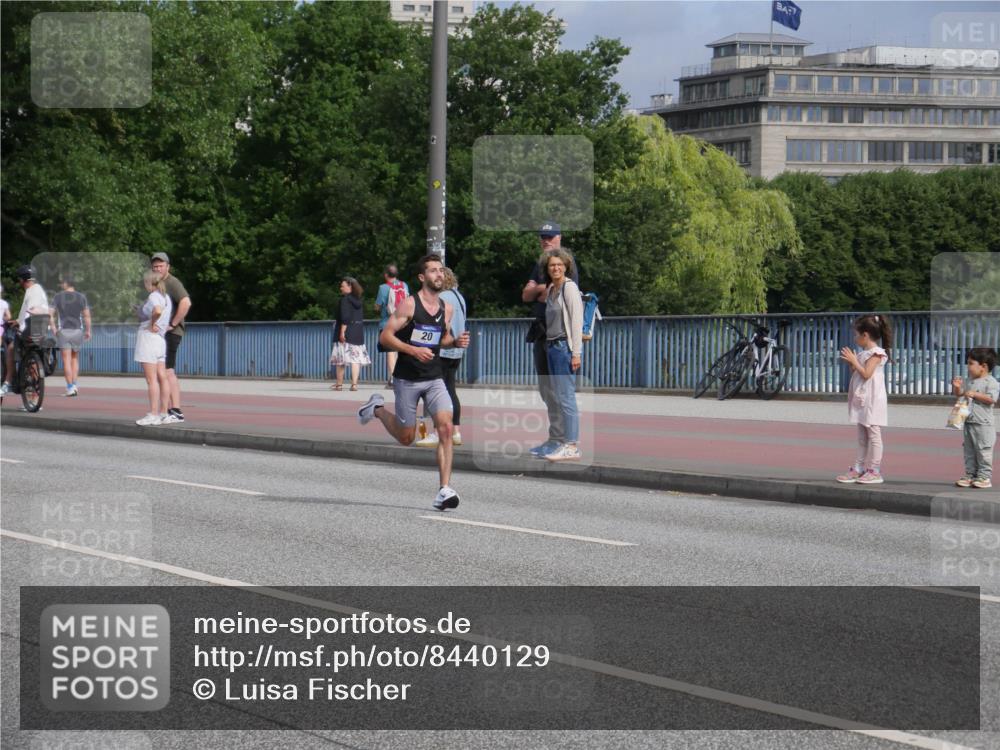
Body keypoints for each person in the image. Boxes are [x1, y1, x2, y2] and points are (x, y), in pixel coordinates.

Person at [357, 255, 470, 510]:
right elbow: (386, 337)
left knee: (446, 429)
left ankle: (444, 489)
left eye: (440, 271)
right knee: (407, 438)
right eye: (432, 271)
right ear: (422, 277)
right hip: (407, 379)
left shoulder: (446, 308)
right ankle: (375, 409)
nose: (438, 275)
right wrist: (411, 350)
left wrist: (455, 342)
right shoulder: (409, 305)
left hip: (434, 378)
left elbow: (441, 339)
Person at [521, 221, 579, 458]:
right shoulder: (540, 265)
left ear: (559, 237)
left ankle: (569, 442)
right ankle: (556, 438)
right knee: (547, 390)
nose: (546, 240)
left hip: (561, 341)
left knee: (563, 393)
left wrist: (577, 352)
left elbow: (571, 314)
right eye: (543, 237)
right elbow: (526, 295)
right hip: (543, 335)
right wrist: (538, 289)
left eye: (550, 237)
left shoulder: (568, 270)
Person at [836, 314, 891, 485]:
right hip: (863, 399)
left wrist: (854, 360)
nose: (855, 337)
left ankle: (874, 470)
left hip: (872, 399)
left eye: (856, 334)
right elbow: (858, 372)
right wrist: (852, 363)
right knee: (862, 435)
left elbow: (867, 374)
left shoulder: (876, 353)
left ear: (865, 335)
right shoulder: (865, 353)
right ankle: (858, 468)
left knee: (874, 434)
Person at [416, 267, 466, 448]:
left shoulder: (442, 298)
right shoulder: (459, 296)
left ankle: (438, 432)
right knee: (451, 390)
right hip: (457, 349)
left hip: (443, 349)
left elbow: (437, 323)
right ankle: (456, 432)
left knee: (437, 393)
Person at [541, 249, 584, 462]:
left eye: (559, 264)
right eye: (552, 265)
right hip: (551, 347)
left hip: (563, 349)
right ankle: (561, 442)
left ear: (566, 266)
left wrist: (576, 353)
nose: (555, 268)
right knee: (557, 396)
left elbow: (576, 321)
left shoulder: (569, 287)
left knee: (566, 397)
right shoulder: (552, 289)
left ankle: (572, 445)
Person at [150, 252, 191, 424]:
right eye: (155, 266)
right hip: (162, 333)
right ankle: (167, 410)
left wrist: (173, 324)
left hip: (171, 333)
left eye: (161, 266)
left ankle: (176, 411)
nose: (158, 269)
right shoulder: (158, 283)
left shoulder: (172, 282)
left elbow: (186, 302)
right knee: (162, 371)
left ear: (168, 266)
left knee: (167, 371)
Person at [952, 347, 998, 489]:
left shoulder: (991, 382)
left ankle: (984, 477)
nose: (968, 366)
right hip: (969, 422)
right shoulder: (969, 380)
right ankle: (970, 474)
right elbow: (960, 394)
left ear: (983, 366)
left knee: (983, 450)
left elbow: (992, 399)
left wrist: (974, 394)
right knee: (969, 450)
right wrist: (958, 388)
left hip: (983, 424)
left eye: (971, 363)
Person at [2, 266, 49, 396]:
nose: (19, 282)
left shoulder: (31, 291)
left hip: (31, 328)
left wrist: (20, 325)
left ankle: (8, 382)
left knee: (11, 348)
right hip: (42, 329)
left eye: (19, 279)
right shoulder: (38, 289)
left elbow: (31, 311)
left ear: (23, 279)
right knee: (31, 355)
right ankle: (33, 393)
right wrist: (18, 321)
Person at [134, 270, 172, 426]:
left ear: (150, 283)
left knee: (151, 380)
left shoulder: (153, 296)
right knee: (162, 376)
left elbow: (156, 310)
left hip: (148, 338)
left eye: (145, 283)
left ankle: (153, 414)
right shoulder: (166, 297)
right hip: (160, 340)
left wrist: (152, 323)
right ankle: (164, 413)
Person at [50, 277, 91, 397]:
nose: (61, 285)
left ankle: (69, 388)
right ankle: (75, 385)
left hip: (64, 331)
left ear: (66, 283)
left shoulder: (58, 296)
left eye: (62, 282)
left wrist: (53, 328)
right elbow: (87, 316)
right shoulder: (81, 297)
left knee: (66, 360)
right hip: (78, 331)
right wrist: (88, 330)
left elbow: (50, 314)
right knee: (74, 359)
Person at [329, 277, 370, 392]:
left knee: (341, 359)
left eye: (343, 286)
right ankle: (354, 384)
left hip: (346, 331)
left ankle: (339, 384)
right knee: (355, 359)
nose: (340, 288)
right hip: (357, 332)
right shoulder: (358, 301)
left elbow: (345, 317)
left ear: (350, 287)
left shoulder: (345, 300)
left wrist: (342, 332)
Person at [374, 264, 409, 389]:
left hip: (387, 323)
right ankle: (402, 377)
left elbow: (378, 306)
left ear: (385, 275)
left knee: (390, 351)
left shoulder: (383, 288)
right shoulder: (404, 285)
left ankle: (393, 378)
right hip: (403, 323)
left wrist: (377, 307)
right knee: (401, 349)